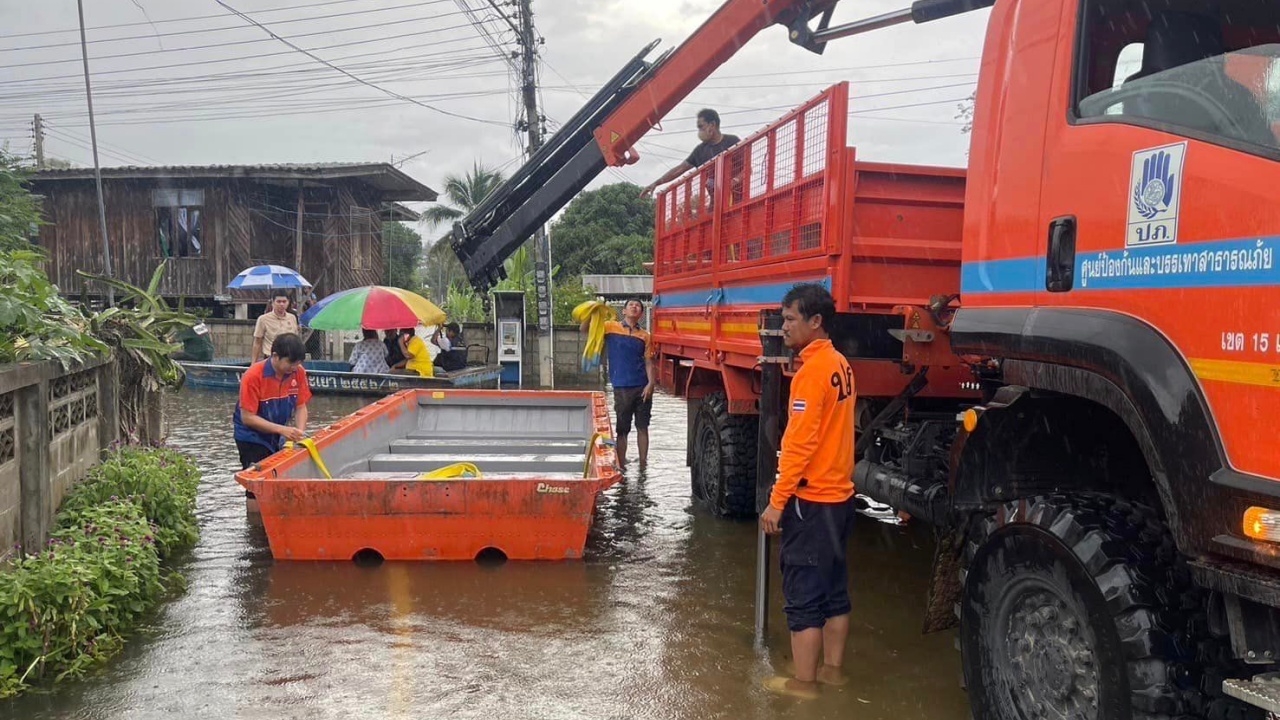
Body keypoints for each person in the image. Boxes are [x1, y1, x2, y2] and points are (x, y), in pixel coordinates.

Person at [759, 283, 856, 701]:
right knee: (834, 592)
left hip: (812, 501)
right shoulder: (841, 364)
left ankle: (804, 685)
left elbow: (799, 444)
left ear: (815, 321)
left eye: (790, 319)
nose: (784, 328)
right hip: (840, 498)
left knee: (802, 597)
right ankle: (832, 672)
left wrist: (777, 503)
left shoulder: (811, 372)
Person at [583, 299, 655, 468]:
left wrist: (651, 383)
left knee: (642, 427)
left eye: (638, 306)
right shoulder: (610, 327)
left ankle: (643, 464)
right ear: (623, 311)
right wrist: (592, 312)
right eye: (631, 305)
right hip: (621, 386)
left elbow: (649, 362)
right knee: (622, 429)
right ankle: (621, 463)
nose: (635, 307)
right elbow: (585, 330)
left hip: (642, 386)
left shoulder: (645, 336)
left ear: (641, 314)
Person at [233, 332, 311, 470]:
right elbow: (247, 418)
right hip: (251, 436)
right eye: (290, 363)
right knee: (259, 477)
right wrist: (283, 430)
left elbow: (301, 406)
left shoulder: (298, 372)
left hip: (277, 433)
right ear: (275, 356)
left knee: (280, 472)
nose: (294, 368)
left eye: (298, 363)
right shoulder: (253, 376)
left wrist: (298, 433)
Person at [640, 108, 741, 200]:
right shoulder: (700, 151)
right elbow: (680, 169)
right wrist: (657, 183)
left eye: (701, 127)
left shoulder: (732, 142)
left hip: (738, 201)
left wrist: (733, 182)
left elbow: (747, 169)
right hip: (715, 203)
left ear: (712, 125)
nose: (700, 131)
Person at [250, 292, 300, 362]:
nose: (281, 304)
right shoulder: (263, 319)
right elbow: (257, 342)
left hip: (290, 359)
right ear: (273, 303)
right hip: (271, 359)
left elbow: (295, 340)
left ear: (288, 302)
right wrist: (253, 363)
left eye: (284, 301)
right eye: (278, 302)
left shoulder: (292, 318)